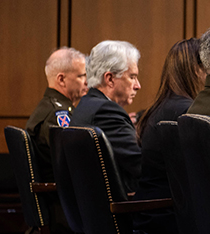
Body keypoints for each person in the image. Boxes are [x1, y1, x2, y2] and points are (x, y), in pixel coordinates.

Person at [134, 38, 205, 234]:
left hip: (150, 216)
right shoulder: (187, 111)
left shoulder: (156, 109)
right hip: (169, 221)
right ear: (195, 70)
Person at [72, 40, 142, 194]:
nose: (138, 85)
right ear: (110, 79)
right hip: (123, 211)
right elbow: (141, 164)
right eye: (132, 77)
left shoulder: (86, 104)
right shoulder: (106, 112)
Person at [26, 47, 88, 183]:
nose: (87, 82)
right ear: (61, 80)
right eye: (81, 76)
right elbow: (73, 162)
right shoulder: (57, 115)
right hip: (61, 199)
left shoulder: (47, 107)